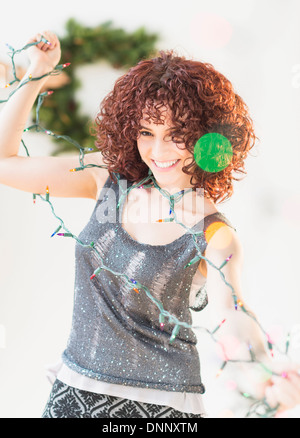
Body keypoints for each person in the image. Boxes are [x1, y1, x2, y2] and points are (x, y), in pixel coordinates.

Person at [0, 30, 299, 419]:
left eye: (177, 136)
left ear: (206, 138)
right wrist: (37, 74)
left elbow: (233, 314)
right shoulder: (106, 179)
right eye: (146, 132)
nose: (158, 152)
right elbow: (5, 163)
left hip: (164, 408)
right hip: (74, 390)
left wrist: (266, 372)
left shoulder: (214, 234)